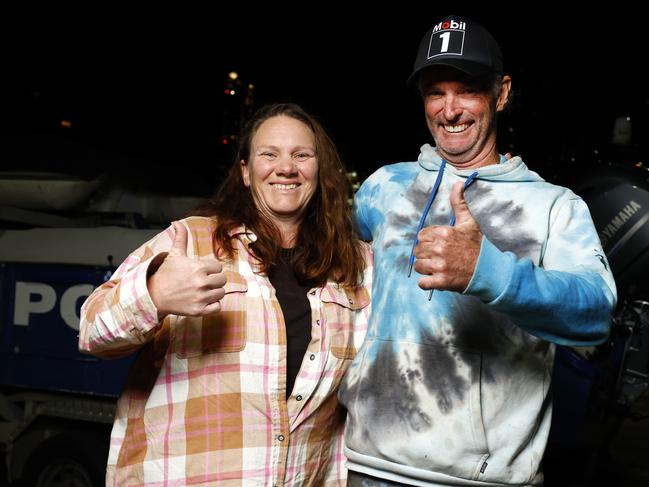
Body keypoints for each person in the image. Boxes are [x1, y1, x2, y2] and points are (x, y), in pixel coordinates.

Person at [338, 15, 616, 487]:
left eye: (467, 89)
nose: (450, 110)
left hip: (480, 478)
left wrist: (488, 272)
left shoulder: (553, 206)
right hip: (367, 464)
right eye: (434, 91)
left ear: (501, 93)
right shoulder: (384, 186)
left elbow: (595, 314)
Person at [79, 103, 372, 486]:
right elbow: (91, 331)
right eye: (269, 154)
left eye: (302, 155)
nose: (286, 167)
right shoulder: (192, 240)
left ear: (320, 171)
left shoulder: (357, 265)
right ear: (246, 172)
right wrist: (153, 294)